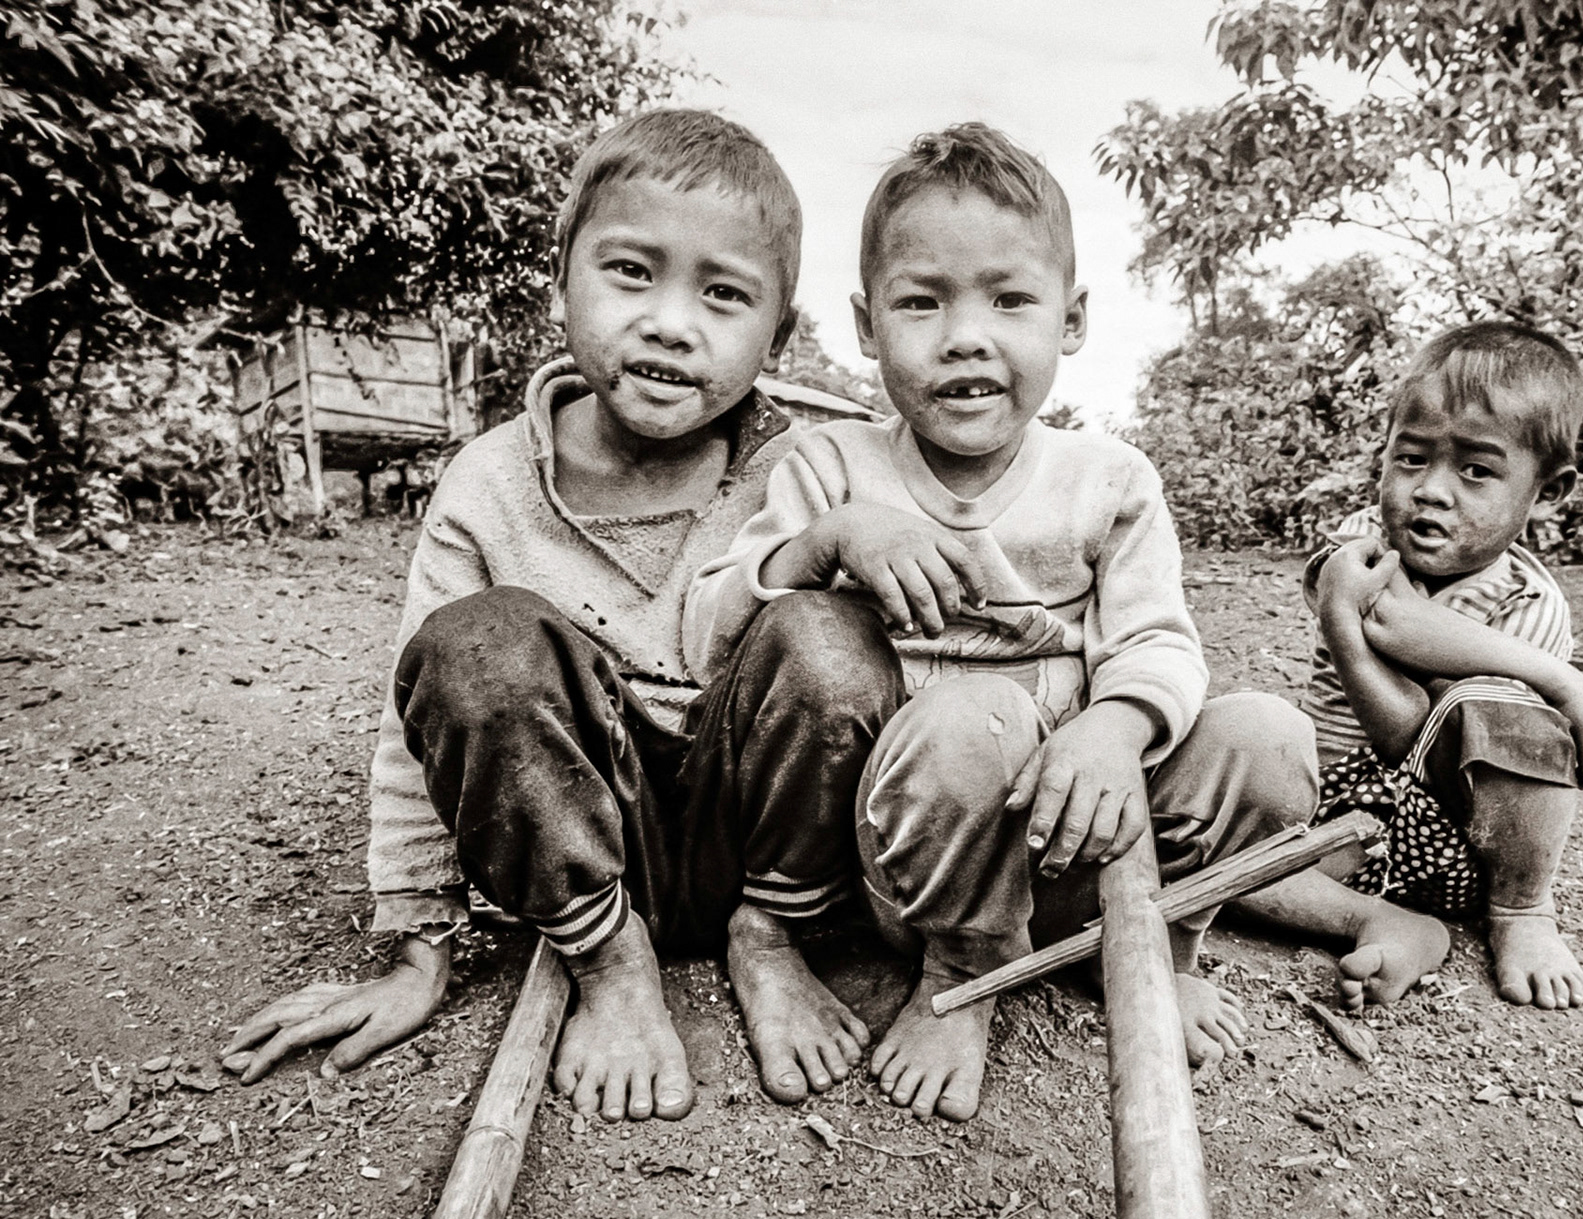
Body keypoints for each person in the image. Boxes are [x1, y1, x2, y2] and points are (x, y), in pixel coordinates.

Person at [222, 109, 903, 1120]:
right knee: (476, 644)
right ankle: (611, 961)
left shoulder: (810, 471)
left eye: (723, 294)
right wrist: (418, 948)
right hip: (573, 852)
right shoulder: (488, 482)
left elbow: (884, 688)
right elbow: (416, 732)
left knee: (833, 635)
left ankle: (770, 935)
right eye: (631, 272)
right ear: (561, 281)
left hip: (756, 841)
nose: (671, 323)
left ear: (779, 335)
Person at [684, 123, 1320, 1122]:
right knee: (970, 717)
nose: (966, 336)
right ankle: (965, 966)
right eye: (922, 301)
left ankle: (1152, 945)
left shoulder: (1110, 480)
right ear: (866, 325)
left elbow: (1158, 642)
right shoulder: (832, 467)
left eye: (1010, 300)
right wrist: (827, 542)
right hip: (921, 860)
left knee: (1269, 738)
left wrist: (1116, 727)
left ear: (1072, 320)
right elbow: (714, 634)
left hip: (1088, 832)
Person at [1226, 321, 1583, 1013]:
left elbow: (1418, 732)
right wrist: (1563, 681)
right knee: (1211, 851)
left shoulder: (1531, 605)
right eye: (1411, 458)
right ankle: (1385, 923)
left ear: (1548, 490)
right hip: (1330, 824)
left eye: (1476, 471)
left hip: (1456, 846)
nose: (1432, 490)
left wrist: (1554, 681)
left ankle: (1523, 912)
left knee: (1504, 711)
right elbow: (1392, 625)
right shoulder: (1360, 543)